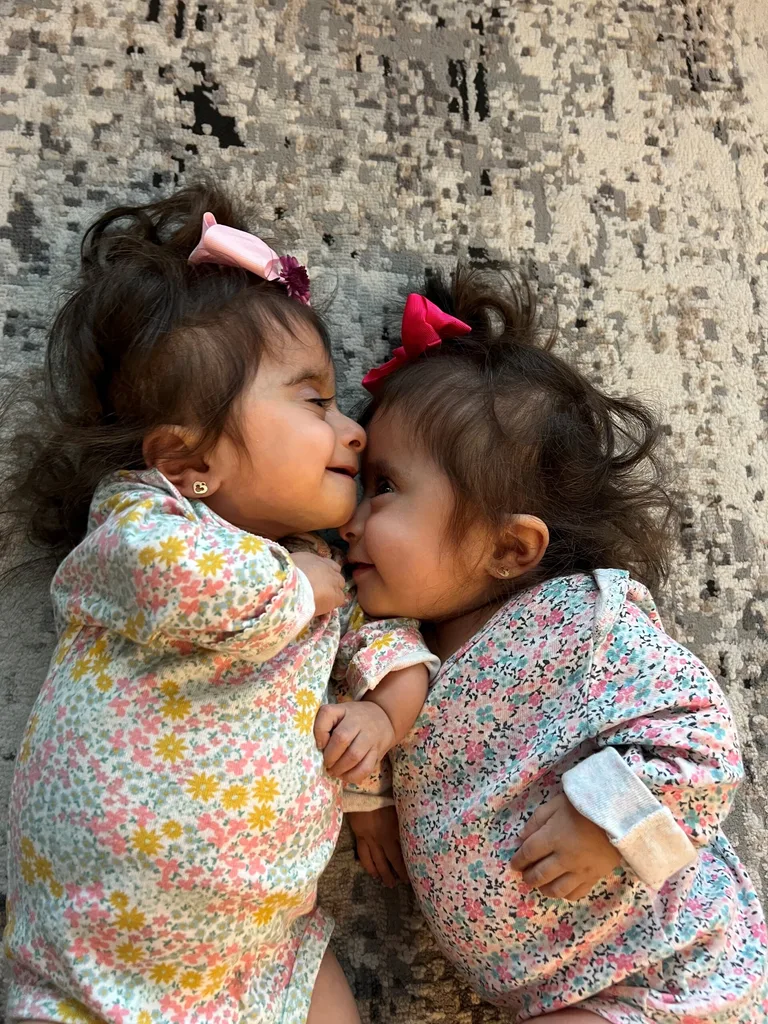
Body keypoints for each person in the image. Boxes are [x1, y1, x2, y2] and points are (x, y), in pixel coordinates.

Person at [0, 185, 438, 1024]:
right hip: (91, 970)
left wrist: (379, 734)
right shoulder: (141, 520)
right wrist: (285, 592)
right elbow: (163, 575)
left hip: (259, 954)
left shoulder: (337, 572)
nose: (354, 431)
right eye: (316, 402)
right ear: (189, 456)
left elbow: (399, 657)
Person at [343, 270, 768, 1023]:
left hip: (667, 965)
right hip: (552, 992)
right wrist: (368, 797)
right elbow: (371, 725)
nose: (349, 518)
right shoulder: (392, 644)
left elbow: (703, 744)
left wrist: (606, 822)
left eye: (383, 487)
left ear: (511, 546)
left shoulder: (581, 623)